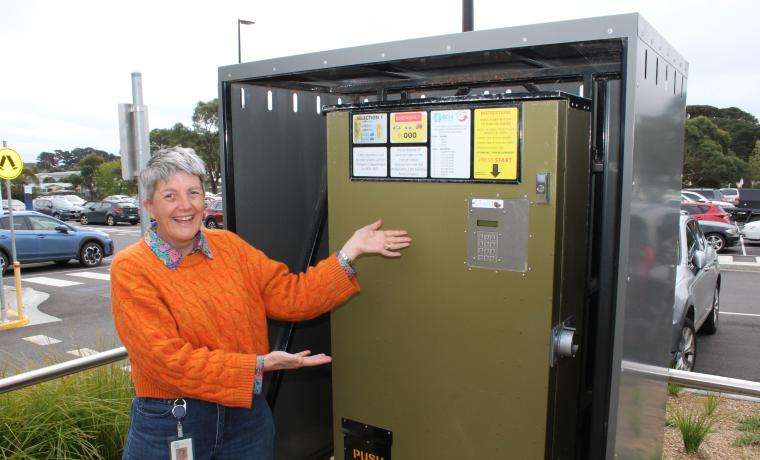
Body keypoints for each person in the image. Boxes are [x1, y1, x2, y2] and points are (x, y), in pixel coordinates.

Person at [111, 147, 411, 459]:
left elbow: (292, 296)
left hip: (245, 417)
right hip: (173, 421)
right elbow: (166, 360)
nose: (185, 206)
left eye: (194, 193)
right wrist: (259, 365)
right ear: (149, 205)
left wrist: (350, 251)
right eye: (170, 196)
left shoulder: (229, 246)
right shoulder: (132, 267)